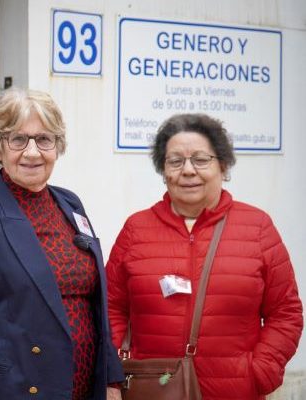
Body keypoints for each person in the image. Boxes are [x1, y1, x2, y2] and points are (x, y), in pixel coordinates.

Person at [0, 88, 124, 400]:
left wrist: (111, 379)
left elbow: (96, 306)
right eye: (18, 139)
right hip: (18, 389)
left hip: (85, 390)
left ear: (58, 146)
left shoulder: (71, 204)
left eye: (44, 139)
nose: (32, 152)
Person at [106, 113, 303, 399]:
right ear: (164, 170)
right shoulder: (136, 229)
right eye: (175, 161)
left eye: (201, 159)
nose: (188, 170)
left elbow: (286, 313)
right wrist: (116, 368)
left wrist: (260, 372)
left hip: (234, 392)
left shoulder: (257, 227)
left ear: (222, 165)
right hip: (153, 390)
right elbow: (111, 307)